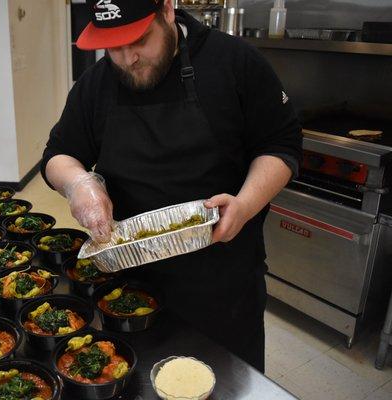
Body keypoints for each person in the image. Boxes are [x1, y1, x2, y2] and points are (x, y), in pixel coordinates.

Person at [41, 0, 302, 372]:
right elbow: (58, 155)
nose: (127, 59)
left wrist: (244, 205)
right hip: (128, 288)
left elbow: (281, 143)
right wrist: (79, 183)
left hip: (223, 284)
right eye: (113, 46)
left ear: (166, 10)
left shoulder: (234, 61)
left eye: (139, 41)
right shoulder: (95, 84)